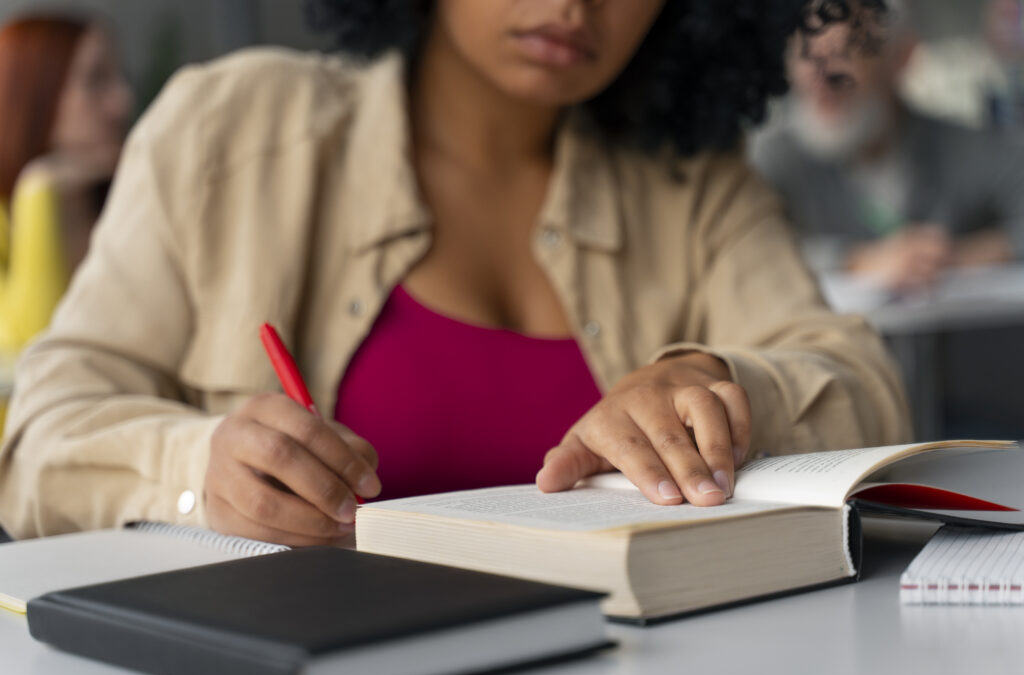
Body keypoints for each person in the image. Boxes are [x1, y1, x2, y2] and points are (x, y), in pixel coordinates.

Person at [0, 0, 909, 544]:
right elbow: (41, 431)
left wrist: (717, 381)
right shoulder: (230, 131)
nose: (575, 1)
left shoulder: (695, 188)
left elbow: (866, 387)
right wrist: (202, 470)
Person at [750, 0, 1024, 292]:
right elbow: (747, 252)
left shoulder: (970, 147)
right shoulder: (773, 160)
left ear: (901, 57)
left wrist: (952, 258)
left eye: (843, 53)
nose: (818, 78)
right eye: (804, 53)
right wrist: (854, 262)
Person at [0, 15, 133, 353]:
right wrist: (38, 192)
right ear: (33, 92)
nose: (121, 101)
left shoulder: (126, 207)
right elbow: (28, 356)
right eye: (95, 80)